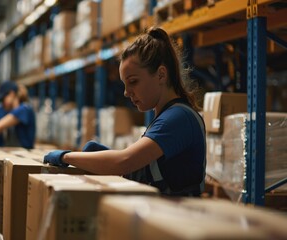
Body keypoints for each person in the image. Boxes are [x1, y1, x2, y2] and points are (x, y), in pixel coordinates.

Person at [44, 27, 206, 196]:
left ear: (161, 75)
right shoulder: (164, 117)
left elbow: (124, 161)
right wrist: (106, 159)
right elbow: (145, 170)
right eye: (125, 85)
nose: (126, 93)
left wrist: (65, 157)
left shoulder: (178, 118)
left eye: (133, 82)